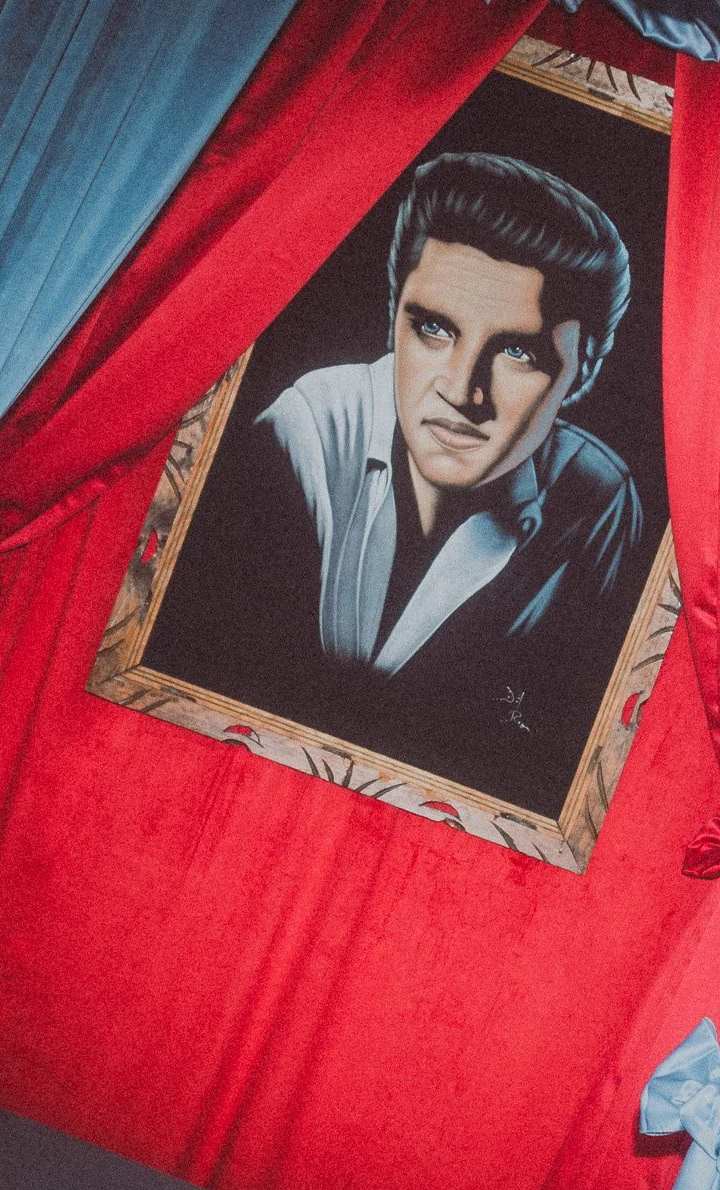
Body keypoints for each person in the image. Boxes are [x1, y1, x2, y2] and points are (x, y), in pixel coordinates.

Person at [223, 153, 644, 813]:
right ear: (394, 317)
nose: (460, 391)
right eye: (434, 328)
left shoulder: (595, 505)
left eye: (518, 352)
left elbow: (534, 745)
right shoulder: (302, 431)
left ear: (581, 374)